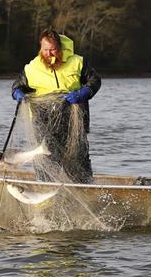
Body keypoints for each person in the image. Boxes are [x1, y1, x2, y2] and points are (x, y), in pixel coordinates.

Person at [11, 29, 101, 183]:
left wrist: (83, 92)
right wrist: (18, 93)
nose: (49, 54)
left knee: (77, 158)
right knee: (45, 158)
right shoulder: (32, 68)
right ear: (41, 48)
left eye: (52, 50)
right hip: (43, 123)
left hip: (73, 123)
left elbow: (95, 81)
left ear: (60, 48)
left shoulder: (77, 62)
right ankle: (47, 193)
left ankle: (83, 189)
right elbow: (16, 87)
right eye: (45, 50)